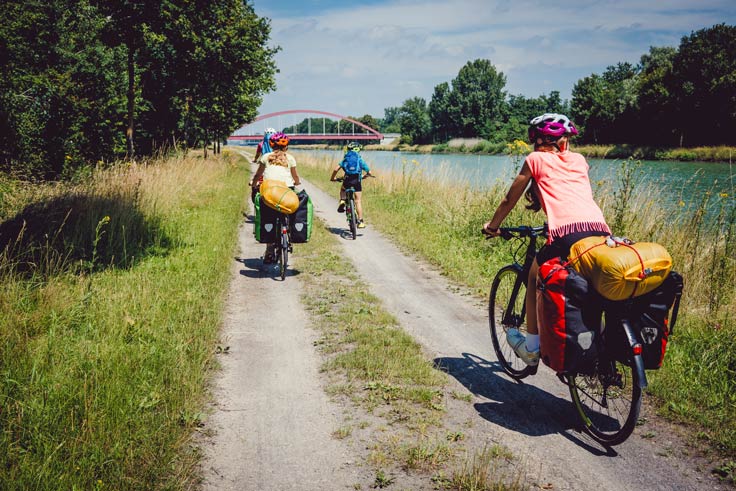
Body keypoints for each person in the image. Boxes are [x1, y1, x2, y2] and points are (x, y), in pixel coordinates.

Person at [482, 113, 610, 366]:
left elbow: (510, 199)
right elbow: (570, 194)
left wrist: (492, 226)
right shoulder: (580, 160)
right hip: (601, 232)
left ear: (537, 140)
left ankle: (531, 349)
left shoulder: (535, 159)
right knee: (594, 286)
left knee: (533, 275)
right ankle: (603, 347)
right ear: (563, 142)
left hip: (567, 234)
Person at [249, 132, 301, 263]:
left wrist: (254, 184)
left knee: (269, 217)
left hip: (270, 191)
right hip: (286, 189)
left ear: (271, 145)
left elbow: (258, 175)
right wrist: (296, 182)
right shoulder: (290, 158)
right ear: (286, 147)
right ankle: (289, 230)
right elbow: (295, 176)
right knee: (290, 208)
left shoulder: (266, 157)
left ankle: (269, 251)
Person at [330, 142, 374, 228]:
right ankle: (360, 221)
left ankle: (342, 200)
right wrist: (364, 177)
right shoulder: (359, 160)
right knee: (358, 201)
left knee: (343, 189)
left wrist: (333, 178)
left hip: (347, 180)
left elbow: (336, 169)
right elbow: (370, 172)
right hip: (357, 181)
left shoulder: (346, 159)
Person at [250, 128, 276, 203]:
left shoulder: (261, 144)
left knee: (256, 181)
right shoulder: (277, 145)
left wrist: (255, 160)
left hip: (264, 166)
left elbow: (257, 154)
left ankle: (256, 201)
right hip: (276, 166)